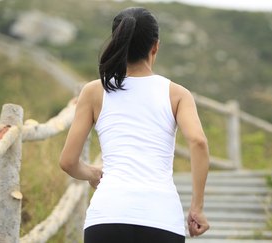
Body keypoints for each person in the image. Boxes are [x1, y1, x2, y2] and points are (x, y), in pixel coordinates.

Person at [59, 7, 210, 243]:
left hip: (106, 217)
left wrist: (93, 173)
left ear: (117, 41)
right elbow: (198, 142)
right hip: (160, 218)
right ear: (155, 46)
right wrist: (196, 207)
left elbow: (68, 162)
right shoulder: (177, 94)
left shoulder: (94, 91)